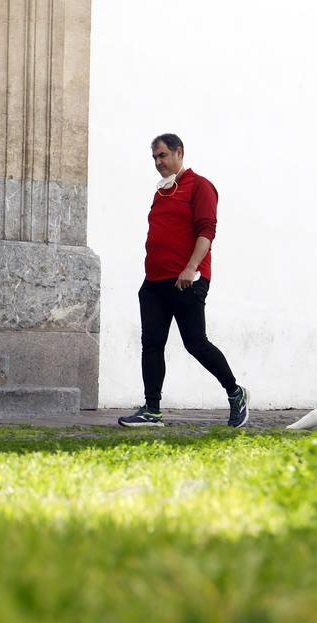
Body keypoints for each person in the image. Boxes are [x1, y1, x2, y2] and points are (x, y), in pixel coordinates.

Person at [118, 134, 248, 428]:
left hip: (186, 281)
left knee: (195, 343)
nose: (158, 162)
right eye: (154, 158)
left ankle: (235, 392)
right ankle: (152, 410)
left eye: (162, 155)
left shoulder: (200, 186)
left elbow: (206, 232)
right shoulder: (161, 192)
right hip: (154, 283)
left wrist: (190, 268)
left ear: (179, 152)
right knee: (151, 344)